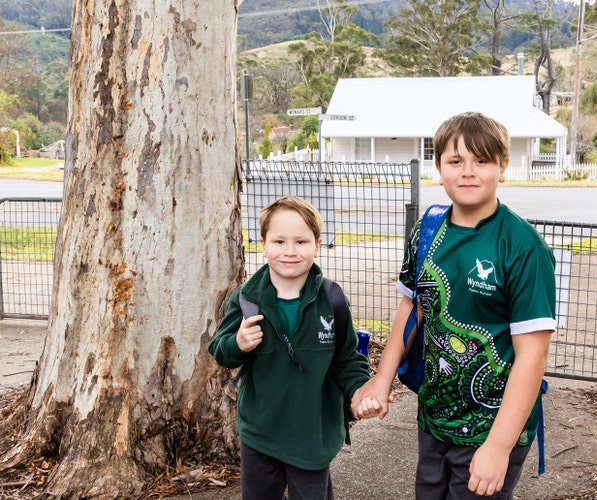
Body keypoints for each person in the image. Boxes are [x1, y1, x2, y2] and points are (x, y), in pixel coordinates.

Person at [351, 112, 557, 499]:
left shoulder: (523, 247)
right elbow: (412, 310)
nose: (468, 172)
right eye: (455, 161)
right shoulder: (428, 230)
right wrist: (382, 378)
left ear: (503, 168)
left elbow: (533, 356)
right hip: (434, 417)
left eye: (481, 160)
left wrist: (497, 447)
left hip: (491, 427)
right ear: (439, 168)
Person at [208, 195, 378, 500]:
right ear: (263, 244)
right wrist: (238, 343)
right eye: (279, 241)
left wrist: (360, 392)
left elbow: (347, 360)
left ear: (317, 244)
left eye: (300, 242)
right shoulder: (246, 298)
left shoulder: (333, 300)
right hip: (260, 434)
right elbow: (220, 350)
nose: (289, 251)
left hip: (311, 436)